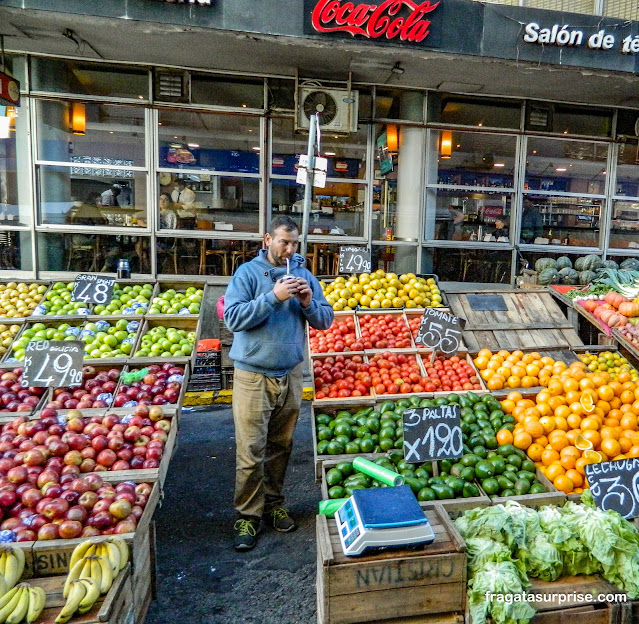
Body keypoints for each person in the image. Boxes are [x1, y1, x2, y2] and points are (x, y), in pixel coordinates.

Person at [224, 216, 333, 552]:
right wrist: (273, 296)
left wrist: (306, 303)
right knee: (251, 451)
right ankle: (247, 515)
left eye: (295, 243)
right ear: (268, 239)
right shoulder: (246, 274)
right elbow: (233, 318)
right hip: (253, 374)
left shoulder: (304, 275)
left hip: (290, 374)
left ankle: (274, 504)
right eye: (284, 241)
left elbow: (325, 320)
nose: (290, 248)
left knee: (280, 447)